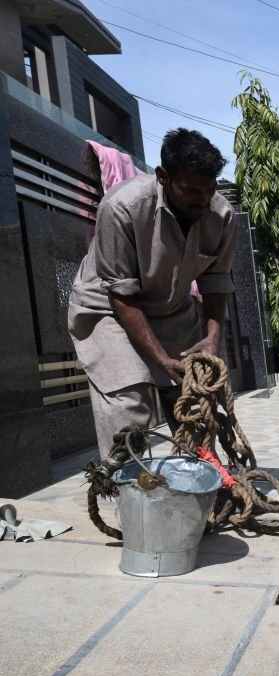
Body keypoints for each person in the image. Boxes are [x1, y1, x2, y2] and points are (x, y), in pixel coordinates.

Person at [68, 129, 234, 455]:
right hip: (108, 307)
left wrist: (213, 338)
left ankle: (199, 490)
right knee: (128, 401)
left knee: (196, 400)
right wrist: (159, 358)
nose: (202, 199)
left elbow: (216, 282)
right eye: (190, 190)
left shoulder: (222, 215)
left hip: (171, 307)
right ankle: (127, 491)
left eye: (209, 189)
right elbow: (121, 294)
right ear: (163, 177)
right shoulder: (121, 207)